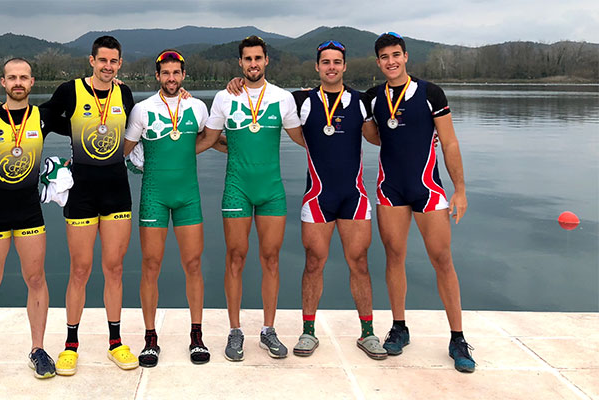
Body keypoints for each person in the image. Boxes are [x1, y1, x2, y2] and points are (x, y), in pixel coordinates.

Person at [0, 35, 138, 374]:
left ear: (120, 64)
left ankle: (115, 342)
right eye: (102, 61)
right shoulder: (69, 90)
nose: (108, 66)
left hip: (117, 193)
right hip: (80, 193)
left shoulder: (124, 93)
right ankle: (71, 345)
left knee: (115, 269)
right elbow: (40, 118)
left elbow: (138, 124)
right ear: (91, 61)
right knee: (79, 271)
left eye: (114, 61)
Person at [366, 32, 474, 372]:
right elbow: (369, 132)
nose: (391, 61)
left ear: (406, 56)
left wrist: (460, 189)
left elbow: (450, 142)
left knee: (442, 259)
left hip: (428, 187)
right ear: (379, 61)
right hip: (390, 189)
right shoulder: (372, 97)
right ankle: (399, 327)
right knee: (394, 256)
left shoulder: (430, 93)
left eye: (396, 54)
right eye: (384, 57)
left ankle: (457, 337)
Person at [0, 58, 67, 388]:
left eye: (24, 77)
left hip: (30, 212)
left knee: (36, 278)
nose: (18, 82)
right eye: (12, 78)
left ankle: (38, 350)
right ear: (2, 83)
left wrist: (113, 88)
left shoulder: (43, 118)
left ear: (32, 83)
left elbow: (79, 115)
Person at [198, 35, 305, 361]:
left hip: (272, 190)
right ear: (240, 63)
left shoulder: (283, 98)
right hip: (237, 189)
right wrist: (160, 156)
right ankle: (235, 331)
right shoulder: (223, 98)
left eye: (258, 58)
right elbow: (207, 140)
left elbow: (305, 139)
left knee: (271, 259)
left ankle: (268, 331)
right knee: (236, 258)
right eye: (248, 59)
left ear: (266, 61)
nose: (253, 64)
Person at [289, 40, 387, 359]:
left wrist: (430, 133)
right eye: (325, 62)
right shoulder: (301, 101)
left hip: (354, 198)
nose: (331, 66)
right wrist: (235, 83)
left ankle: (368, 333)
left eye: (337, 62)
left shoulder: (361, 102)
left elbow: (381, 137)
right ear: (317, 67)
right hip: (317, 197)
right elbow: (262, 104)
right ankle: (308, 332)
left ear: (345, 66)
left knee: (359, 263)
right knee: (313, 263)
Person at [122, 49, 211, 367]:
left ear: (183, 75)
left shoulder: (198, 107)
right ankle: (150, 339)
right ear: (157, 76)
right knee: (150, 265)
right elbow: (122, 151)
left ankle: (196, 337)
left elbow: (210, 139)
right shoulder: (142, 110)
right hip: (154, 197)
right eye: (166, 73)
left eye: (176, 73)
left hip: (189, 196)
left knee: (194, 264)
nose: (171, 78)